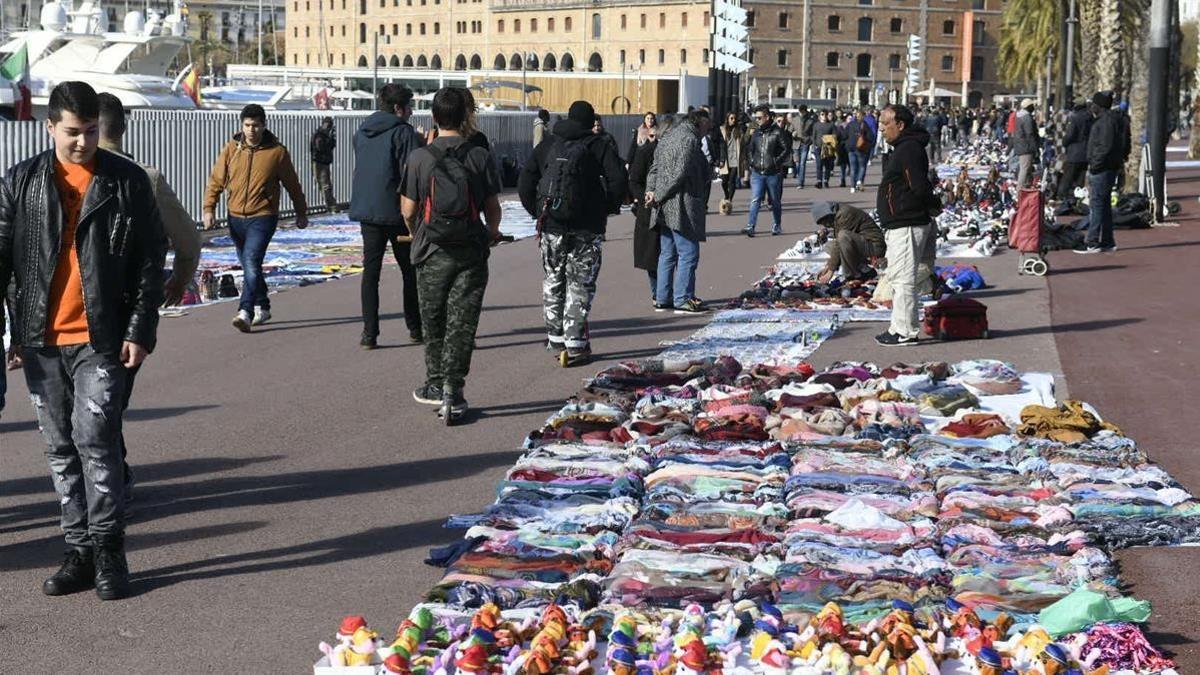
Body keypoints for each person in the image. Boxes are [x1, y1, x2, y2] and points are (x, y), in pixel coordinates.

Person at [0, 81, 166, 600]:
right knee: (58, 448)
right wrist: (12, 330)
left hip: (100, 336)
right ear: (50, 127)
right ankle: (78, 550)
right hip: (40, 340)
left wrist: (141, 328)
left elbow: (148, 259)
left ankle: (110, 551)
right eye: (72, 132)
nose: (82, 141)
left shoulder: (126, 182)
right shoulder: (21, 182)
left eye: (91, 131)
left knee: (96, 439)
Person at [95, 92, 201, 499]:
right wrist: (180, 278)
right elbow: (188, 240)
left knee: (82, 402)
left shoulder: (56, 174)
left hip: (70, 308)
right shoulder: (146, 176)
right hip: (129, 309)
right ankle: (111, 478)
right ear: (123, 128)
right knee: (110, 398)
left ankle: (105, 482)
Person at [400, 87, 502, 422]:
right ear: (465, 117)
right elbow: (492, 208)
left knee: (435, 321)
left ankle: (434, 383)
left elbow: (408, 209)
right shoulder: (479, 156)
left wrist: (417, 236)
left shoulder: (419, 158)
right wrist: (490, 234)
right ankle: (453, 390)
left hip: (431, 252)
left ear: (433, 118)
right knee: (463, 321)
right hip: (471, 251)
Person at [519, 100, 627, 365]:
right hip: (586, 228)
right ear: (592, 121)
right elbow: (618, 180)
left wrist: (538, 211)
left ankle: (555, 339)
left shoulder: (548, 145)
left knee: (554, 280)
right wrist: (607, 207)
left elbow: (526, 180)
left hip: (552, 226)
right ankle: (576, 344)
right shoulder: (599, 145)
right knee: (579, 284)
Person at [203, 104, 308, 333]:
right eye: (247, 125)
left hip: (263, 216)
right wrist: (209, 208)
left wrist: (301, 211)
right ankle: (264, 306)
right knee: (250, 264)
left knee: (251, 261)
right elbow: (216, 179)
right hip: (235, 216)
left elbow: (292, 184)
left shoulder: (277, 152)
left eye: (256, 125)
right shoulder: (232, 148)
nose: (251, 130)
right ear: (242, 126)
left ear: (264, 125)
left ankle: (245, 311)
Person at [350, 83, 425, 349]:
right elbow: (410, 173)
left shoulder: (362, 131)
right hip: (396, 211)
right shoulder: (403, 133)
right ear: (398, 109)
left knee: (371, 273)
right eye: (409, 107)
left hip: (366, 210)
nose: (411, 112)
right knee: (410, 270)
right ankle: (415, 327)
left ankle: (369, 333)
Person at [875, 104, 938, 347]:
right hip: (905, 220)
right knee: (903, 277)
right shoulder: (904, 147)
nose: (881, 129)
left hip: (907, 222)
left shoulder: (909, 148)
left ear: (900, 125)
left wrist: (924, 206)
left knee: (902, 279)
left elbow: (918, 186)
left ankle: (903, 331)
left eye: (885, 124)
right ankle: (901, 327)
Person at [646, 109, 711, 315]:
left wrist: (651, 190)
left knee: (667, 253)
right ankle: (682, 298)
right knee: (688, 253)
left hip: (664, 206)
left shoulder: (668, 136)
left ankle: (663, 298)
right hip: (680, 204)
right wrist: (659, 194)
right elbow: (679, 173)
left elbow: (654, 168)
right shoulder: (689, 139)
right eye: (706, 126)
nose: (707, 131)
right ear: (699, 123)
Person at [1077, 91, 1122, 254]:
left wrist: (1095, 165)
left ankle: (1093, 242)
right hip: (1107, 168)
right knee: (1103, 206)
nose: (1091, 107)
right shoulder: (1109, 120)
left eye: (1093, 104)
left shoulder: (1105, 122)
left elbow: (1105, 146)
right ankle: (1107, 241)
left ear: (1099, 106)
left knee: (1096, 206)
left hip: (1102, 169)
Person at [629, 118, 664, 301]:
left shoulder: (670, 153)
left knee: (667, 254)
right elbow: (634, 180)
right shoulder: (644, 153)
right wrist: (646, 197)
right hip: (648, 210)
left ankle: (665, 292)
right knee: (651, 255)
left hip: (667, 209)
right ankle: (657, 292)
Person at [742, 104, 791, 237]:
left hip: (773, 173)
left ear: (767, 117)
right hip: (757, 172)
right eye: (756, 117)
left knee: (774, 200)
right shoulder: (756, 132)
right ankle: (750, 226)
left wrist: (776, 162)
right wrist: (752, 161)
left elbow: (786, 149)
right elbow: (750, 149)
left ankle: (777, 225)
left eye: (759, 118)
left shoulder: (777, 132)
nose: (757, 120)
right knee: (755, 199)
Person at [812, 201, 885, 283]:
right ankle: (864, 269)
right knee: (829, 246)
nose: (826, 226)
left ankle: (852, 275)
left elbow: (840, 244)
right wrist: (828, 267)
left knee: (843, 236)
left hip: (874, 246)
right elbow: (837, 245)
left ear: (826, 216)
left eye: (824, 223)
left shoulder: (844, 215)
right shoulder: (837, 215)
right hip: (863, 243)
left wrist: (830, 271)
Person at [1057, 102, 1092, 209]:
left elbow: (1071, 135)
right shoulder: (1090, 117)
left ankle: (1062, 197)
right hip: (1086, 151)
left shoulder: (1075, 117)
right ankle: (1078, 199)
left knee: (1068, 176)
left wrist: (1064, 141)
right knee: (1080, 177)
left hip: (1074, 152)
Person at [718, 111, 746, 213]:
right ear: (727, 119)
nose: (733, 120)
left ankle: (729, 200)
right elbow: (720, 145)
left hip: (736, 159)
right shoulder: (722, 129)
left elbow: (743, 144)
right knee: (724, 181)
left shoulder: (738, 130)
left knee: (732, 180)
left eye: (734, 118)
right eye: (731, 118)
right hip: (725, 159)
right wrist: (720, 159)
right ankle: (726, 194)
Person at [310, 116, 338, 212]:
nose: (328, 127)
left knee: (326, 184)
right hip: (319, 162)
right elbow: (320, 147)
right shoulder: (320, 135)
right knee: (325, 184)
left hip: (324, 162)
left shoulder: (324, 135)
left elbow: (330, 146)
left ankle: (331, 204)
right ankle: (331, 206)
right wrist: (329, 140)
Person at [1012, 99, 1041, 189]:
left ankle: (1026, 187)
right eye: (1032, 106)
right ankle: (1020, 190)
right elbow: (1030, 134)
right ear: (1028, 106)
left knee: (1027, 168)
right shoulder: (1027, 117)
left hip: (1021, 145)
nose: (1033, 108)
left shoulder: (1019, 116)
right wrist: (1035, 148)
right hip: (1026, 147)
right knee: (1024, 169)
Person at [845, 110, 874, 193]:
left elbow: (844, 135)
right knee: (862, 166)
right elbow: (871, 137)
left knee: (853, 168)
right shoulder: (865, 125)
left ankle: (852, 187)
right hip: (861, 148)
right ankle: (859, 180)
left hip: (851, 148)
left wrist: (848, 143)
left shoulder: (850, 124)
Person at [812, 110, 837, 189]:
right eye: (822, 114)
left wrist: (830, 141)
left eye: (825, 114)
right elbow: (814, 136)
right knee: (819, 164)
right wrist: (814, 145)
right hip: (818, 147)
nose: (824, 116)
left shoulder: (831, 125)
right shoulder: (816, 125)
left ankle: (826, 180)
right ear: (820, 116)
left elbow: (834, 135)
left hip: (827, 147)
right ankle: (819, 181)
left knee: (827, 165)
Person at [793, 106, 814, 189]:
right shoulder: (795, 120)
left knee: (802, 163)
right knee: (797, 163)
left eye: (803, 112)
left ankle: (800, 182)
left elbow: (812, 133)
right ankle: (799, 175)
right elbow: (790, 130)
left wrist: (809, 140)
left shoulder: (810, 121)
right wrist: (792, 134)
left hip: (805, 144)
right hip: (796, 143)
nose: (802, 113)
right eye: (800, 111)